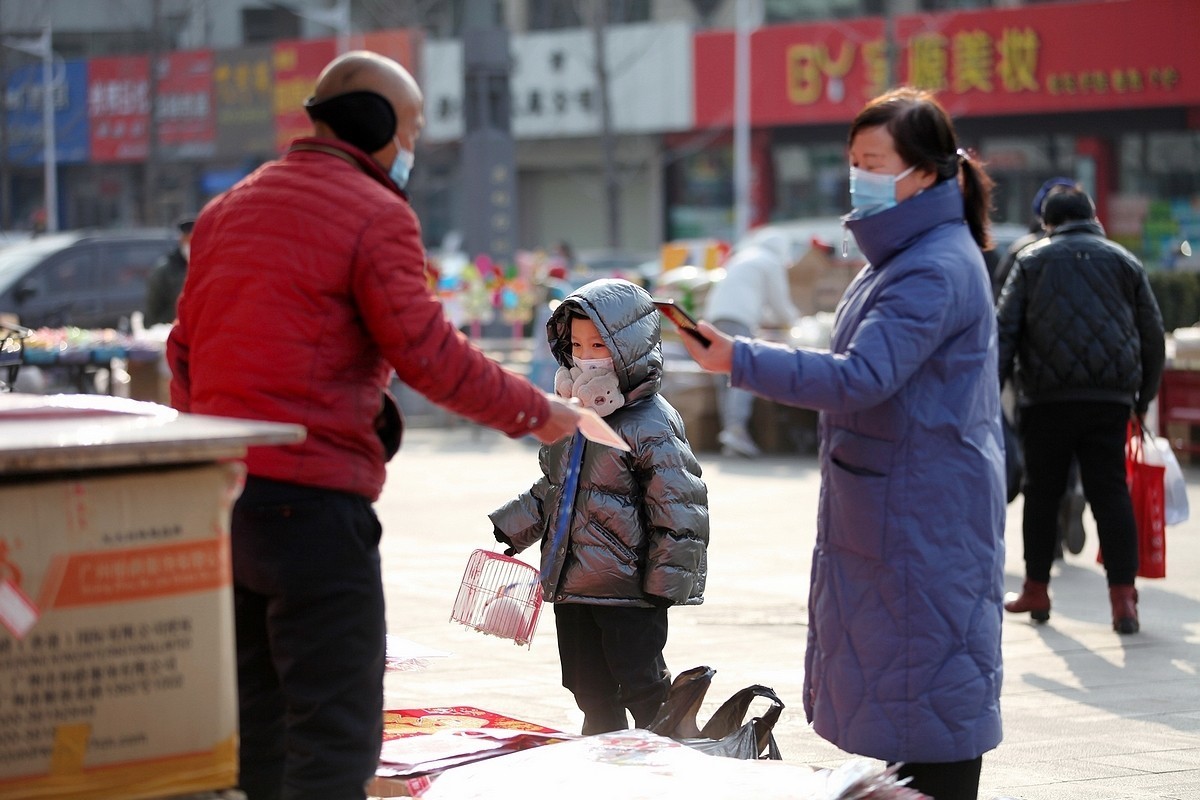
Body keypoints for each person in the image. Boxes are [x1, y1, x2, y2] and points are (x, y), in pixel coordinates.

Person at [167, 51, 581, 800]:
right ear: (378, 124)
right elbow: (427, 354)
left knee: (259, 726)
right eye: (412, 130)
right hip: (315, 511)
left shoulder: (227, 210)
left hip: (230, 509)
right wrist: (538, 413)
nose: (411, 149)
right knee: (333, 733)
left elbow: (183, 355)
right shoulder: (376, 213)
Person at [676, 87, 1005, 800]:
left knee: (925, 721)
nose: (857, 175)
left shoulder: (931, 266)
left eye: (872, 161)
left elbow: (863, 378)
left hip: (921, 523)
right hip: (899, 515)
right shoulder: (902, 256)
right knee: (902, 714)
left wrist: (738, 359)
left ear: (923, 172)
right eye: (853, 160)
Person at [490, 278, 709, 736]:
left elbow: (680, 506)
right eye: (577, 344)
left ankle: (665, 754)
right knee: (585, 682)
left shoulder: (651, 422)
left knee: (640, 681)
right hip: (572, 581)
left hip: (630, 589)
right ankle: (603, 749)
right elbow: (555, 486)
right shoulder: (573, 415)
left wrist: (668, 581)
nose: (586, 355)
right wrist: (515, 526)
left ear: (629, 347)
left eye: (599, 344)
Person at [997, 182, 1165, 635]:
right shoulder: (1125, 261)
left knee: (1042, 492)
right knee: (1109, 492)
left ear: (1047, 222)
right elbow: (1153, 335)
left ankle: (1036, 589)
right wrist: (1142, 399)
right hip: (1110, 399)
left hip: (1046, 399)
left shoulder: (1031, 261)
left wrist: (992, 394)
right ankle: (1123, 601)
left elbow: (1005, 331)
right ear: (1093, 216)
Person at [995, 177, 1088, 558]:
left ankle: (1046, 554)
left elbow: (1002, 319)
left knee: (1038, 463)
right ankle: (1072, 492)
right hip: (1092, 377)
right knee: (1078, 453)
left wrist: (994, 379)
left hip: (1035, 377)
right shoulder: (1107, 253)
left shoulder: (1022, 253)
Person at [702, 229, 801, 458]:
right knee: (742, 373)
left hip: (714, 317)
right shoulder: (770, 262)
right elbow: (780, 304)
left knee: (723, 375)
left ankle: (731, 434)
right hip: (738, 320)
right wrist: (798, 322)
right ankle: (736, 429)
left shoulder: (744, 257)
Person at [144, 215, 195, 326]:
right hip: (170, 331)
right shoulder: (165, 270)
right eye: (188, 239)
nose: (191, 244)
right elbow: (153, 309)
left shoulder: (210, 268)